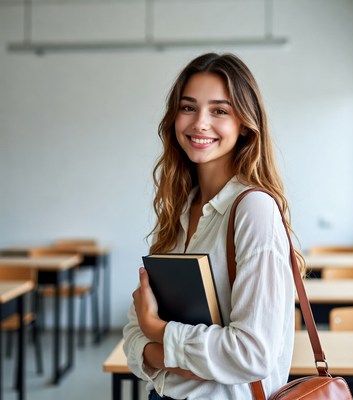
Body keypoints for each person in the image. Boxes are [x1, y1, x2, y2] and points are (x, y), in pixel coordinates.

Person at [123, 52, 304, 400]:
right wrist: (156, 342)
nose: (199, 123)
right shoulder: (180, 208)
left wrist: (157, 330)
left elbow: (252, 354)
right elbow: (133, 334)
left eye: (219, 110)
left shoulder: (254, 209)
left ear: (245, 125)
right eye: (188, 107)